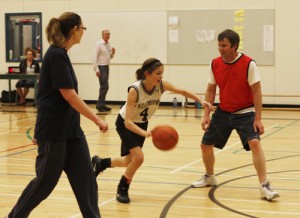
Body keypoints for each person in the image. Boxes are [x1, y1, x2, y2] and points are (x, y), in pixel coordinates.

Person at [7, 12, 108, 218]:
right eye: (83, 28)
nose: (83, 32)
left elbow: (54, 97)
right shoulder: (55, 55)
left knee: (86, 180)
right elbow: (69, 96)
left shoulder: (61, 54)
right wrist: (97, 119)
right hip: (55, 132)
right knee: (45, 182)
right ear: (75, 30)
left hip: (72, 132)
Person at [92, 58, 214, 204]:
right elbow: (128, 122)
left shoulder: (161, 85)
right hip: (126, 125)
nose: (161, 76)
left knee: (129, 161)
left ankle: (101, 163)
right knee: (139, 158)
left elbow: (182, 91)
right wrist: (146, 134)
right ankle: (122, 188)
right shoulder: (134, 90)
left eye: (162, 73)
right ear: (147, 74)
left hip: (142, 124)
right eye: (158, 73)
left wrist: (201, 100)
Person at [191, 29, 280, 201]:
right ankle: (209, 176)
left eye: (224, 45)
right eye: (219, 45)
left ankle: (264, 185)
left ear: (234, 46)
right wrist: (206, 114)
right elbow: (210, 90)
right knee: (205, 145)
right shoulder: (215, 64)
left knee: (255, 142)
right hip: (223, 112)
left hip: (245, 112)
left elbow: (257, 92)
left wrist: (258, 118)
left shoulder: (248, 64)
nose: (220, 48)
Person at [92, 29, 116, 112]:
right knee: (104, 86)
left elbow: (110, 57)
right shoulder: (99, 44)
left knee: (105, 87)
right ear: (102, 35)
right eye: (106, 34)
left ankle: (102, 105)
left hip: (106, 67)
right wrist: (96, 69)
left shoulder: (108, 44)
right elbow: (94, 57)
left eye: (109, 34)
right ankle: (99, 105)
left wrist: (113, 53)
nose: (108, 35)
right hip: (101, 67)